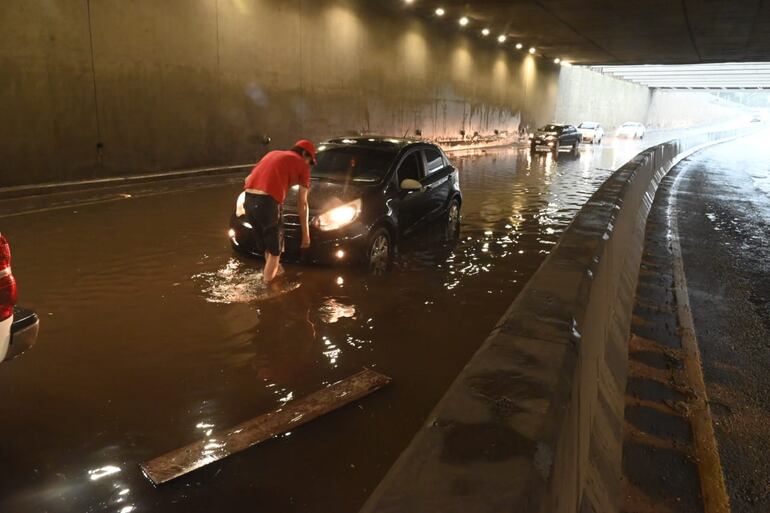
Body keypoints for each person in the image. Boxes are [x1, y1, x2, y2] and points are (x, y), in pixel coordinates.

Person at [243, 139, 316, 283]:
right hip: (267, 203)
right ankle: (267, 290)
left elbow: (248, 179)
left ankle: (275, 271)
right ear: (304, 154)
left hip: (249, 200)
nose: (309, 165)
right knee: (275, 253)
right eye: (310, 161)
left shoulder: (272, 154)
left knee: (268, 246)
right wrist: (306, 235)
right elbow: (302, 203)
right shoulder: (303, 166)